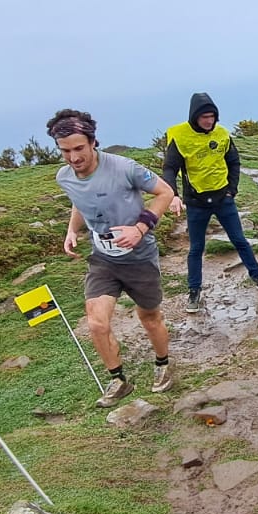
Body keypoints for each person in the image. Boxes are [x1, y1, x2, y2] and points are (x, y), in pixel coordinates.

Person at [49, 109, 178, 407]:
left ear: (93, 142)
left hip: (139, 255)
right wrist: (71, 231)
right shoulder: (64, 177)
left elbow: (165, 192)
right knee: (96, 323)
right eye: (65, 151)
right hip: (103, 258)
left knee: (149, 317)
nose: (73, 158)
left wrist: (140, 227)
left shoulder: (124, 168)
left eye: (79, 148)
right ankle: (118, 380)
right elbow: (78, 202)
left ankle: (163, 364)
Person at [163, 92, 258, 314]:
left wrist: (231, 191)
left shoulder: (223, 134)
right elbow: (170, 168)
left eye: (212, 116)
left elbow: (234, 162)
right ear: (194, 116)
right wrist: (173, 194)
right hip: (196, 202)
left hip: (223, 199)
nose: (209, 121)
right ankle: (194, 292)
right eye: (204, 116)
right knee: (196, 249)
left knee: (240, 241)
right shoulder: (179, 136)